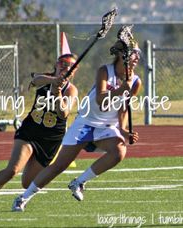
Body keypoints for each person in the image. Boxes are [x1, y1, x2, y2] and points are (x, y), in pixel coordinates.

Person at [11, 32, 142, 212]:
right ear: (122, 55)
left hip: (106, 127)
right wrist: (120, 90)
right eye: (134, 53)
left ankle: (79, 182)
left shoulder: (135, 81)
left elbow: (123, 107)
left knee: (119, 151)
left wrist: (124, 130)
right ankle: (23, 198)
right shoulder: (105, 71)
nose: (137, 58)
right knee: (59, 166)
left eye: (138, 54)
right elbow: (100, 100)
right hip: (85, 123)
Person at [0, 53, 79, 209]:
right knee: (12, 170)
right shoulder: (44, 78)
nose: (66, 69)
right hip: (30, 131)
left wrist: (57, 92)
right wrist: (54, 81)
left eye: (71, 67)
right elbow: (35, 81)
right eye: (64, 64)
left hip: (50, 139)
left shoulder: (71, 90)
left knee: (27, 183)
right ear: (56, 64)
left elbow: (63, 113)